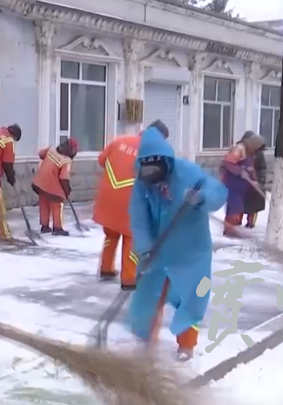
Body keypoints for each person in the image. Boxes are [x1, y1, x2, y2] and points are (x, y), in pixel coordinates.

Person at [126, 126, 228, 360]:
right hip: (158, 248)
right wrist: (145, 247)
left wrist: (201, 198)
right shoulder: (141, 181)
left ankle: (186, 346)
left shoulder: (188, 173)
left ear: (165, 162)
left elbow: (218, 192)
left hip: (190, 249)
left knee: (190, 296)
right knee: (149, 293)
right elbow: (139, 217)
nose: (152, 178)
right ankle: (145, 340)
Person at [94, 120, 169, 290]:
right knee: (131, 237)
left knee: (111, 234)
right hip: (131, 201)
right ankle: (129, 279)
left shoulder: (119, 141)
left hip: (108, 197)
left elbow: (101, 160)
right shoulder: (154, 153)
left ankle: (106, 268)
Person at [219, 131, 264, 236]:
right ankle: (228, 230)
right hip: (233, 184)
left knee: (238, 208)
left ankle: (230, 229)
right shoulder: (239, 149)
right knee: (235, 208)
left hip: (242, 187)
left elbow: (251, 168)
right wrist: (239, 171)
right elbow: (227, 163)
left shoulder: (250, 153)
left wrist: (254, 180)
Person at [32, 137, 78, 235]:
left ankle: (44, 226)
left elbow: (41, 154)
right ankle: (57, 228)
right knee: (57, 205)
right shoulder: (66, 161)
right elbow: (64, 178)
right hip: (52, 187)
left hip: (39, 183)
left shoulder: (51, 150)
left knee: (44, 204)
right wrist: (67, 191)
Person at [244, 141, 267, 228]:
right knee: (248, 203)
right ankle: (248, 221)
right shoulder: (247, 152)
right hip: (248, 181)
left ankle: (251, 222)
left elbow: (262, 169)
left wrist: (260, 181)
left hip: (256, 181)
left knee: (254, 204)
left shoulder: (258, 154)